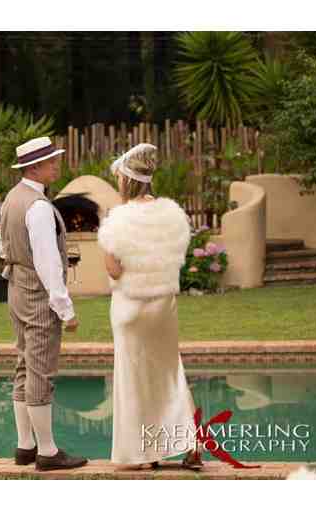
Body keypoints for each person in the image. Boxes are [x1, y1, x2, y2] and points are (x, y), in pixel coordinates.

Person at [97, 143, 203, 470]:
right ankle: (190, 442)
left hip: (131, 307)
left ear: (126, 180)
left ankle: (141, 455)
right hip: (163, 306)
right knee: (170, 373)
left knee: (134, 379)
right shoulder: (173, 215)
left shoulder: (118, 218)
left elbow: (113, 269)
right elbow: (176, 258)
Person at [0, 136, 87, 472]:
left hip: (17, 288)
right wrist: (66, 310)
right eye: (51, 161)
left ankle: (25, 446)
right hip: (36, 294)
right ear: (34, 167)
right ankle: (47, 452)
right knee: (40, 370)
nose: (56, 165)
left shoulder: (11, 199)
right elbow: (48, 262)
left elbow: (3, 246)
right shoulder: (37, 206)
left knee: (24, 364)